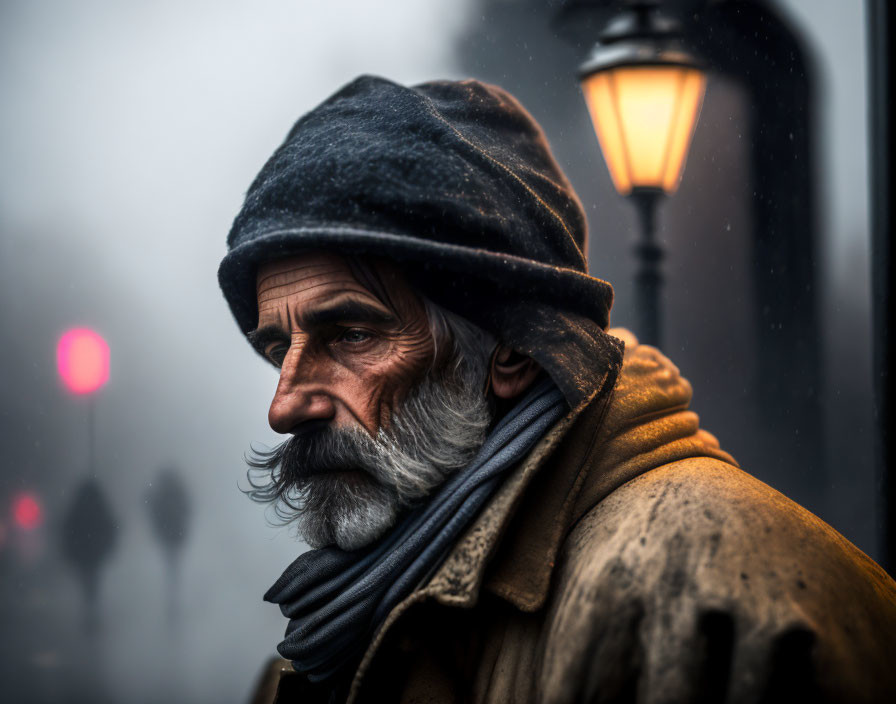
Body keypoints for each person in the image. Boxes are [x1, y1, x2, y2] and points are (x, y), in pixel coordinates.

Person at [218, 76, 896, 704]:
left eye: (351, 335)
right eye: (279, 349)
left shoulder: (717, 608)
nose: (285, 406)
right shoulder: (329, 638)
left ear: (512, 350)